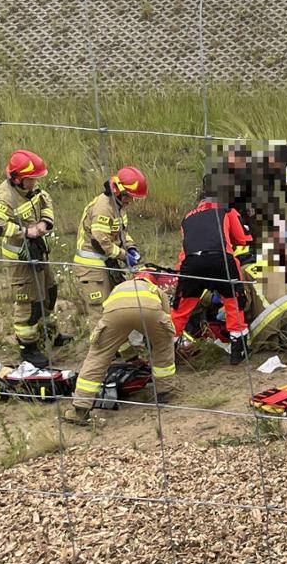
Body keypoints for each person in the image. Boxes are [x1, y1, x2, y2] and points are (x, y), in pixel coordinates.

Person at [61, 269, 177, 426]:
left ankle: (80, 408)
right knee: (163, 346)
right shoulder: (154, 289)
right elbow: (166, 323)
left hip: (115, 313)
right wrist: (154, 342)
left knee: (98, 354)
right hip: (150, 310)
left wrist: (130, 356)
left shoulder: (119, 288)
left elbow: (114, 328)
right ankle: (165, 391)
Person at [0, 149, 68, 367]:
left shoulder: (32, 188)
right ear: (17, 178)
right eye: (31, 180)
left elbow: (46, 203)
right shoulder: (6, 196)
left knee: (50, 292)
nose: (35, 183)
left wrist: (43, 224)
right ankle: (28, 349)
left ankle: (49, 334)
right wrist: (24, 232)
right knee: (28, 305)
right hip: (20, 260)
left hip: (37, 252)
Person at [169, 192, 254, 365]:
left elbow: (185, 250)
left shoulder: (187, 218)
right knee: (234, 301)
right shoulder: (226, 209)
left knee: (180, 309)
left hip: (191, 263)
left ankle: (166, 353)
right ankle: (238, 352)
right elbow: (244, 239)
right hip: (220, 259)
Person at [73, 166, 147, 322]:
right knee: (100, 313)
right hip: (92, 268)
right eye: (129, 196)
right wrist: (124, 255)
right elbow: (102, 241)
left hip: (106, 262)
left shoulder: (118, 206)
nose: (131, 201)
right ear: (119, 191)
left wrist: (131, 247)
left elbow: (121, 233)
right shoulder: (104, 208)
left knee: (115, 306)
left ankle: (117, 344)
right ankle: (100, 346)